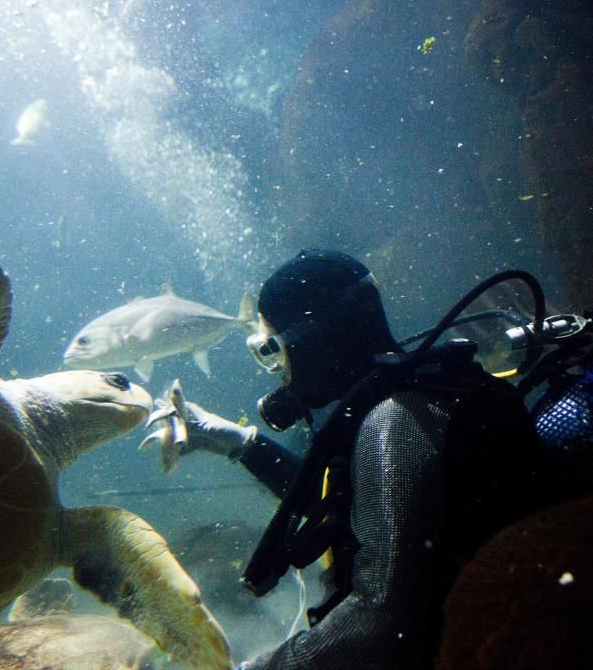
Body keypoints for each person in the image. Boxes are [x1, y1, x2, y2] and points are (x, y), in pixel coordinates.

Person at [147, 249, 549, 669]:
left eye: (272, 349)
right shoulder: (432, 395)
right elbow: (344, 507)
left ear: (315, 341)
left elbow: (378, 620)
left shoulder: (395, 424)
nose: (277, 372)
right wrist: (240, 443)